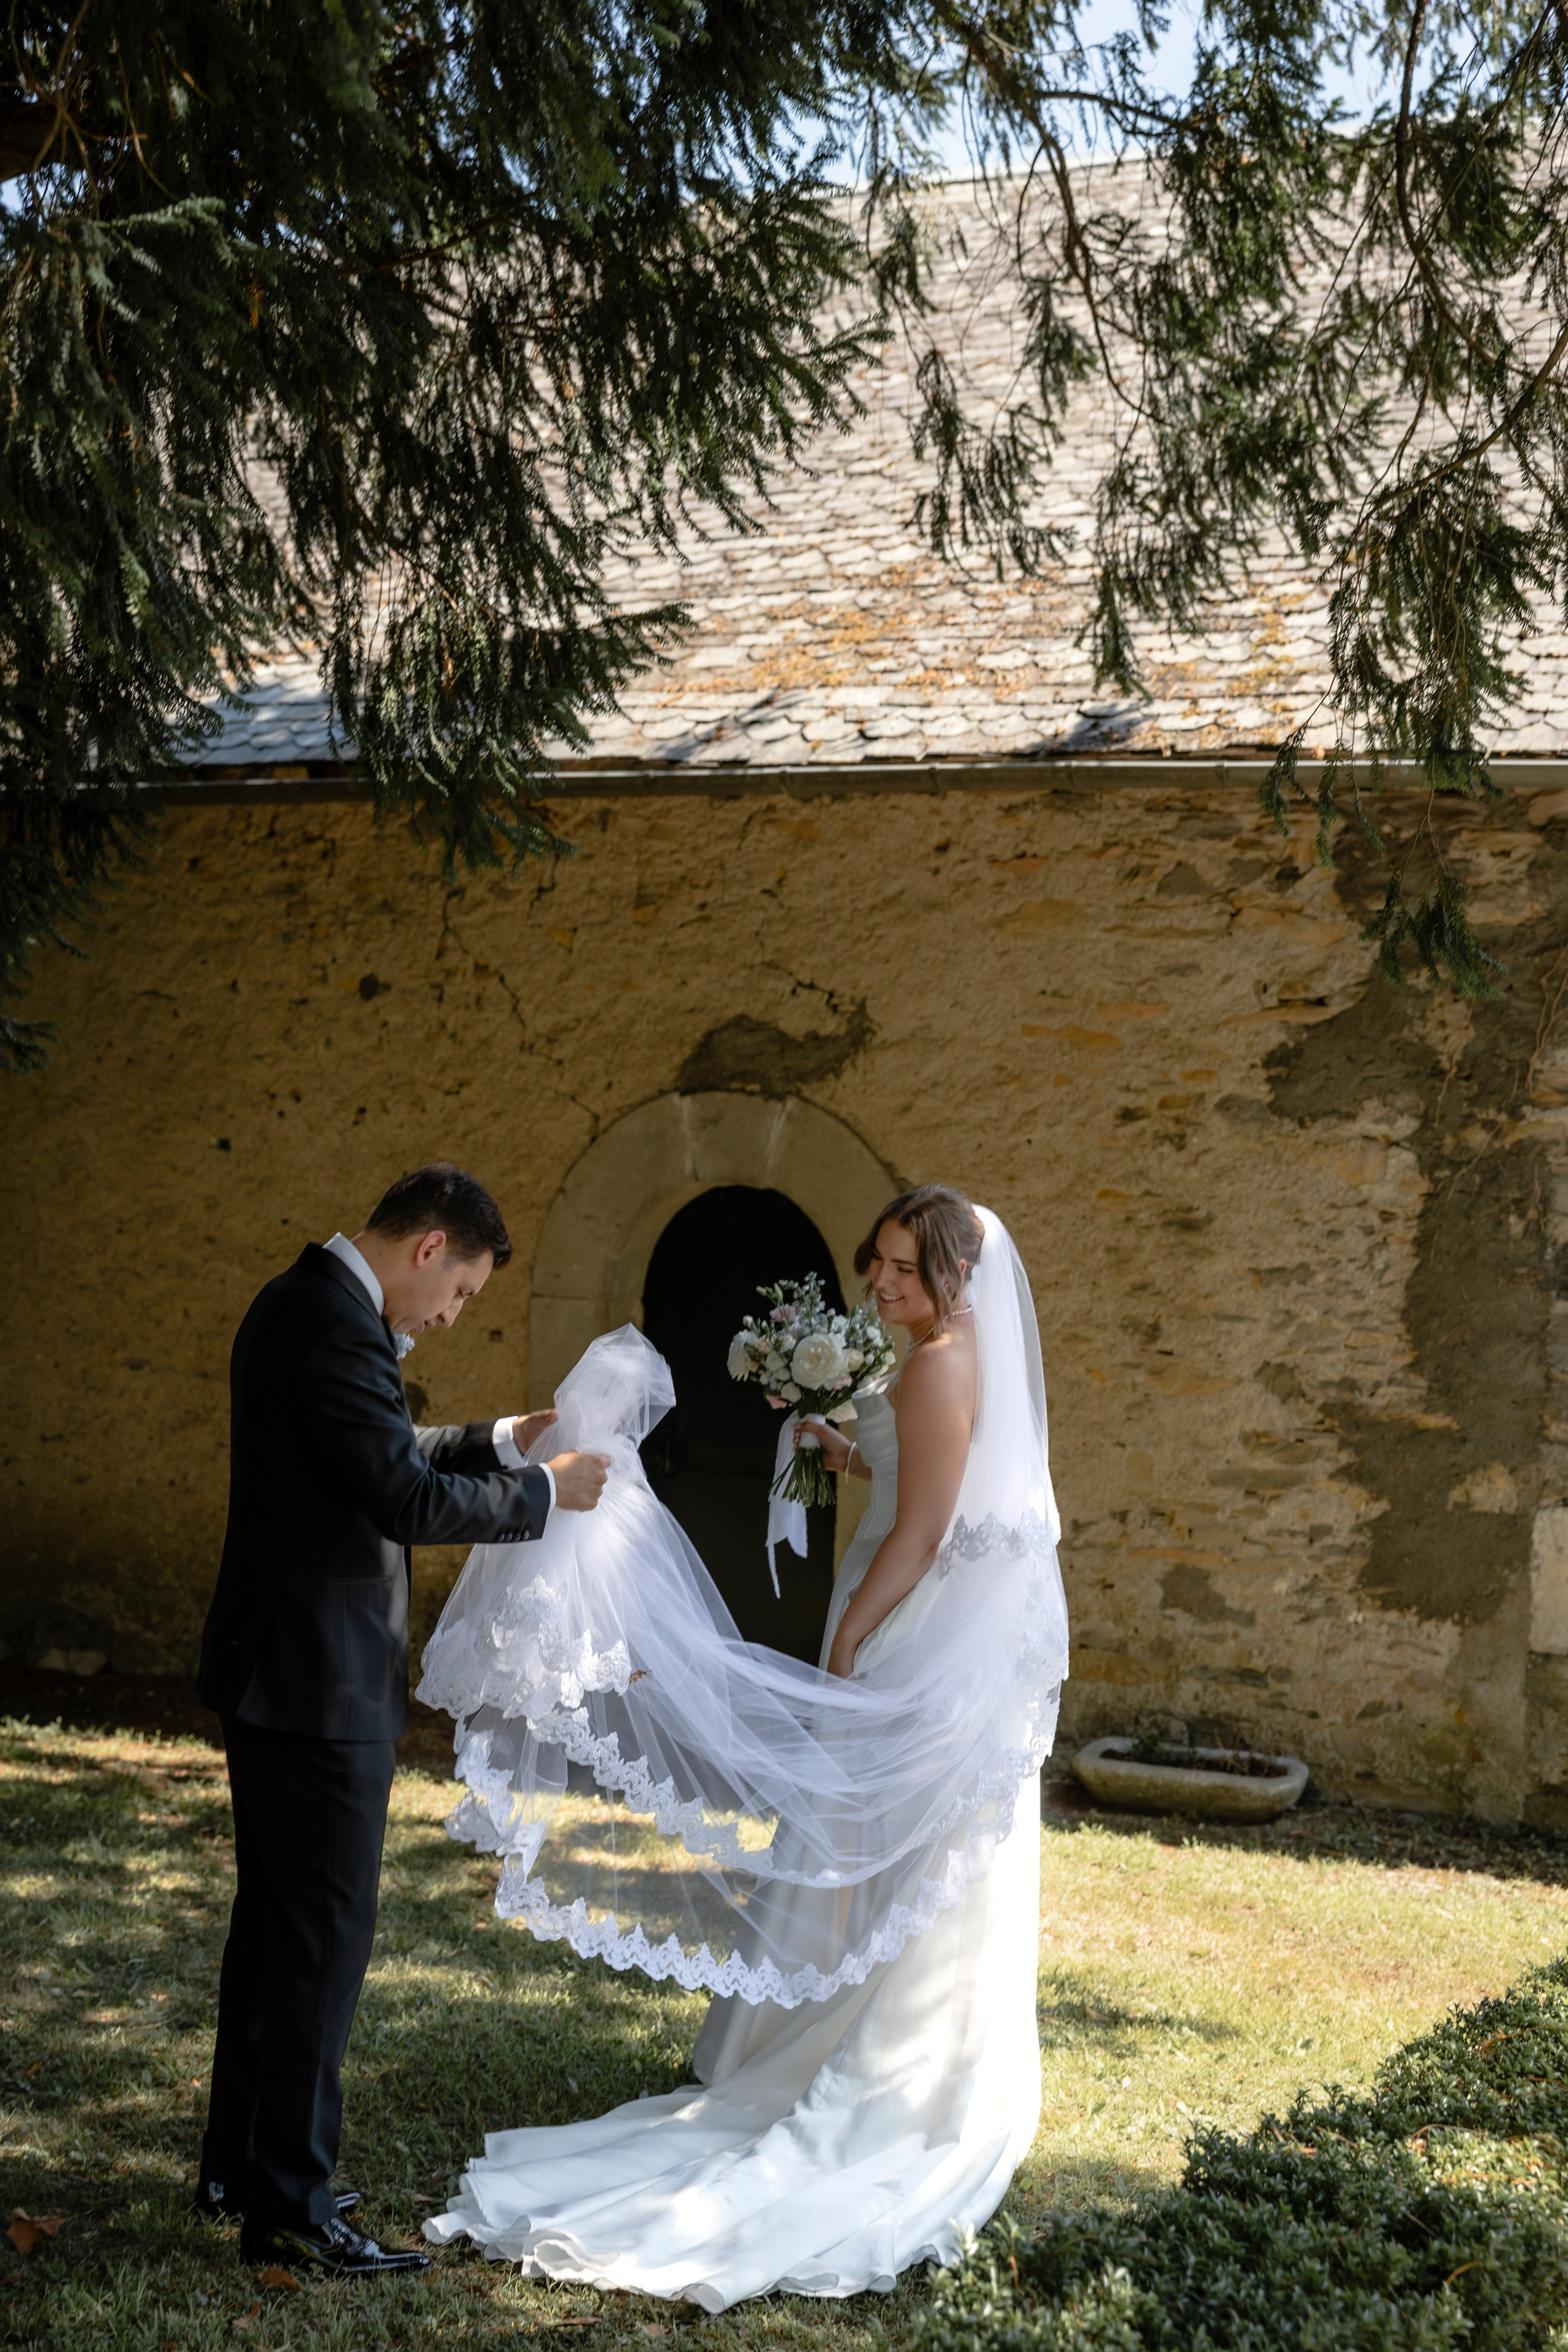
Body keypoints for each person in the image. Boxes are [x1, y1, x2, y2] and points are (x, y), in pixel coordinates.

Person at [419, 1184, 1068, 2310]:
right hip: (952, 1634)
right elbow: (939, 1482)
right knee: (909, 1849)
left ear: (958, 1277)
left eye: (906, 1270)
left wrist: (854, 1627)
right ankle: (914, 2053)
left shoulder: (932, 1363)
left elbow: (923, 1532)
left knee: (884, 1843)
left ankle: (872, 2060)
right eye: (880, 1264)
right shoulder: (959, 1360)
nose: (883, 1284)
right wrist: (847, 1456)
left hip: (909, 1623)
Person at [192, 1163, 610, 2280]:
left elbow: (381, 1456)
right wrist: (542, 1493)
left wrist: (496, 1442)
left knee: (276, 1934)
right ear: (430, 1249)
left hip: (278, 1671)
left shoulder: (306, 1306)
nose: (451, 1314)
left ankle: (241, 2163)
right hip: (315, 1686)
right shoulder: (335, 1326)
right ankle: (290, 2207)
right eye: (463, 1292)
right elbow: (402, 1501)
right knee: (321, 1942)